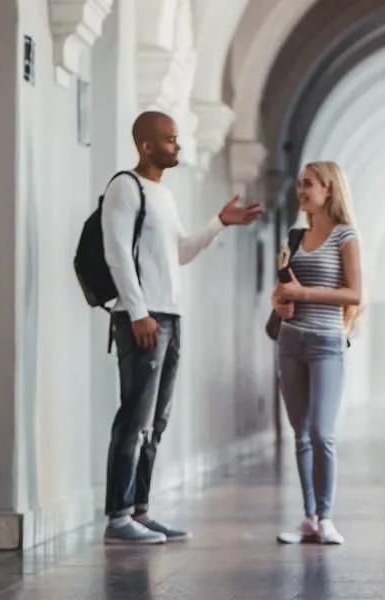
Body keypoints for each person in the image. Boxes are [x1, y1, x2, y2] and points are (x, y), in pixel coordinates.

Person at [101, 111, 264, 545]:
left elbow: (182, 252)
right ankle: (118, 516)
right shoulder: (125, 187)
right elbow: (116, 253)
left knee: (157, 420)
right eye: (170, 140)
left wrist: (219, 223)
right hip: (143, 316)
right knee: (134, 417)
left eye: (177, 139)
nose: (178, 146)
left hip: (170, 316)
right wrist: (137, 312)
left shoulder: (164, 196)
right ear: (146, 145)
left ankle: (140, 509)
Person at [272, 161, 362, 546]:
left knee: (321, 433)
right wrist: (281, 304)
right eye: (299, 184)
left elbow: (355, 294)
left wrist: (303, 295)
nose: (301, 190)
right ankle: (308, 517)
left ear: (329, 189)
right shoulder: (293, 237)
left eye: (309, 184)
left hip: (327, 342)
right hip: (290, 341)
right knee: (300, 435)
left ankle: (326, 516)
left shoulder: (346, 236)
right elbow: (280, 293)